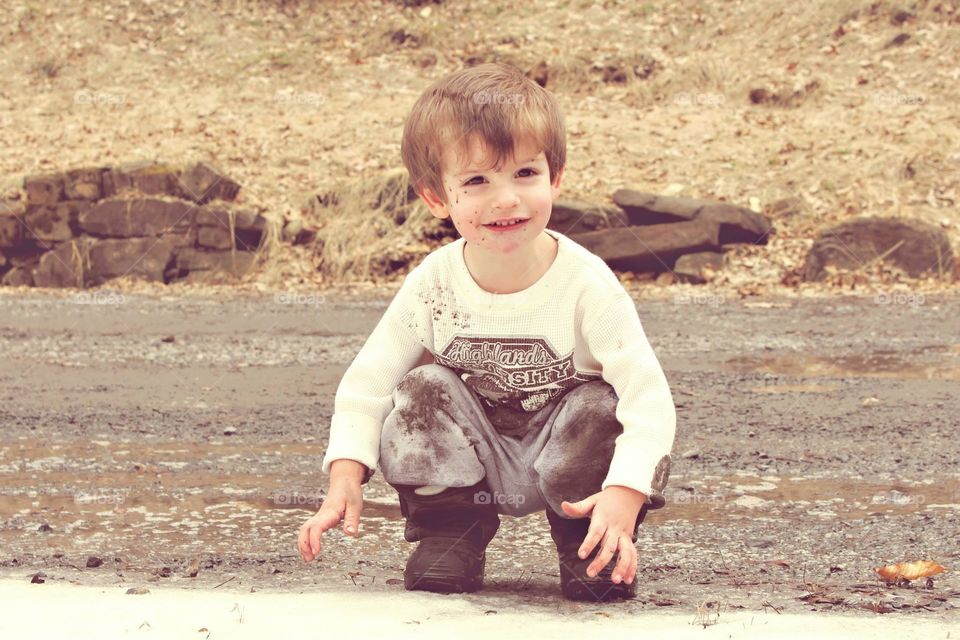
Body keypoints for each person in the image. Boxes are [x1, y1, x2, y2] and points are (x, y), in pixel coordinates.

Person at [297, 62, 676, 601]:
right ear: (436, 197)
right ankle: (450, 533)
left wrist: (626, 492)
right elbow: (368, 384)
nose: (506, 199)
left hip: (568, 462)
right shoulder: (433, 285)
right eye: (477, 181)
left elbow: (648, 399)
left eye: (525, 174)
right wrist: (344, 478)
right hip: (471, 454)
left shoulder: (588, 284)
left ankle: (589, 545)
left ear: (555, 177)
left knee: (599, 404)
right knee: (420, 388)